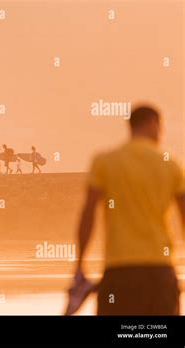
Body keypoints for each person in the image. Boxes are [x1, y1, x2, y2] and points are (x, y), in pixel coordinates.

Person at [67, 105, 185, 316]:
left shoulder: (105, 161)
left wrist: (79, 264)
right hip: (159, 271)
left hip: (119, 271)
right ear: (153, 124)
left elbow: (88, 214)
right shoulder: (171, 164)